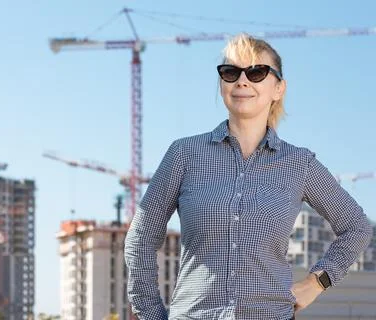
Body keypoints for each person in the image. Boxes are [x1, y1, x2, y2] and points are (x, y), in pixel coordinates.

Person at [124, 33, 373, 320]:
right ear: (222, 85)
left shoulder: (300, 164)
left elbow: (357, 227)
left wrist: (317, 281)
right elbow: (141, 238)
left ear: (278, 88)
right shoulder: (184, 154)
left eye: (257, 72)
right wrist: (152, 315)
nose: (242, 81)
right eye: (231, 72)